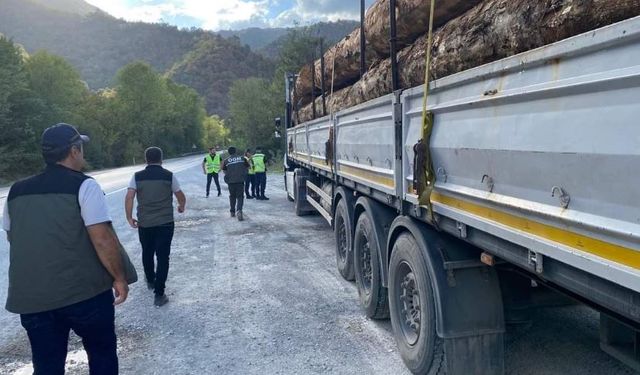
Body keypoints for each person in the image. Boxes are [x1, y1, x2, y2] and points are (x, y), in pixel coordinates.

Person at [2, 123, 132, 374]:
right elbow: (102, 239)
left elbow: (14, 237)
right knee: (101, 353)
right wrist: (119, 278)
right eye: (80, 147)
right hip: (84, 295)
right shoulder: (84, 185)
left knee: (47, 365)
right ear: (74, 151)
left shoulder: (16, 191)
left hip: (33, 300)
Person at [125, 147, 186, 307]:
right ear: (161, 159)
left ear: (146, 159)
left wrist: (129, 217)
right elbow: (180, 195)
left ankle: (151, 280)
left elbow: (130, 196)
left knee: (147, 251)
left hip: (145, 223)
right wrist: (181, 206)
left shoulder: (137, 177)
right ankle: (159, 294)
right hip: (165, 223)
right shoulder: (168, 175)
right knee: (163, 256)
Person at [222, 146, 249, 221]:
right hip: (240, 180)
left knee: (232, 196)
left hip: (231, 181)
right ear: (235, 151)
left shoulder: (226, 161)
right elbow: (248, 167)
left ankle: (232, 212)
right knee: (240, 196)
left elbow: (224, 171)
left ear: (229, 152)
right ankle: (239, 210)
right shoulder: (242, 159)